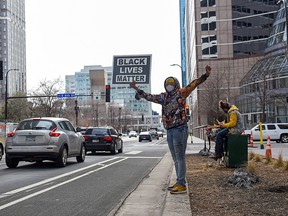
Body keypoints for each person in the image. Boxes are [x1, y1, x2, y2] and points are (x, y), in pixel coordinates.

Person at [130, 65, 211, 194]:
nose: (169, 85)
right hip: (170, 130)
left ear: (176, 84)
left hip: (180, 128)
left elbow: (194, 84)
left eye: (171, 83)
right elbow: (148, 96)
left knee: (180, 157)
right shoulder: (163, 97)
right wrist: (136, 88)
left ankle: (181, 184)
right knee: (175, 157)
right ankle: (179, 181)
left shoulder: (182, 92)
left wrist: (205, 75)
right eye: (167, 84)